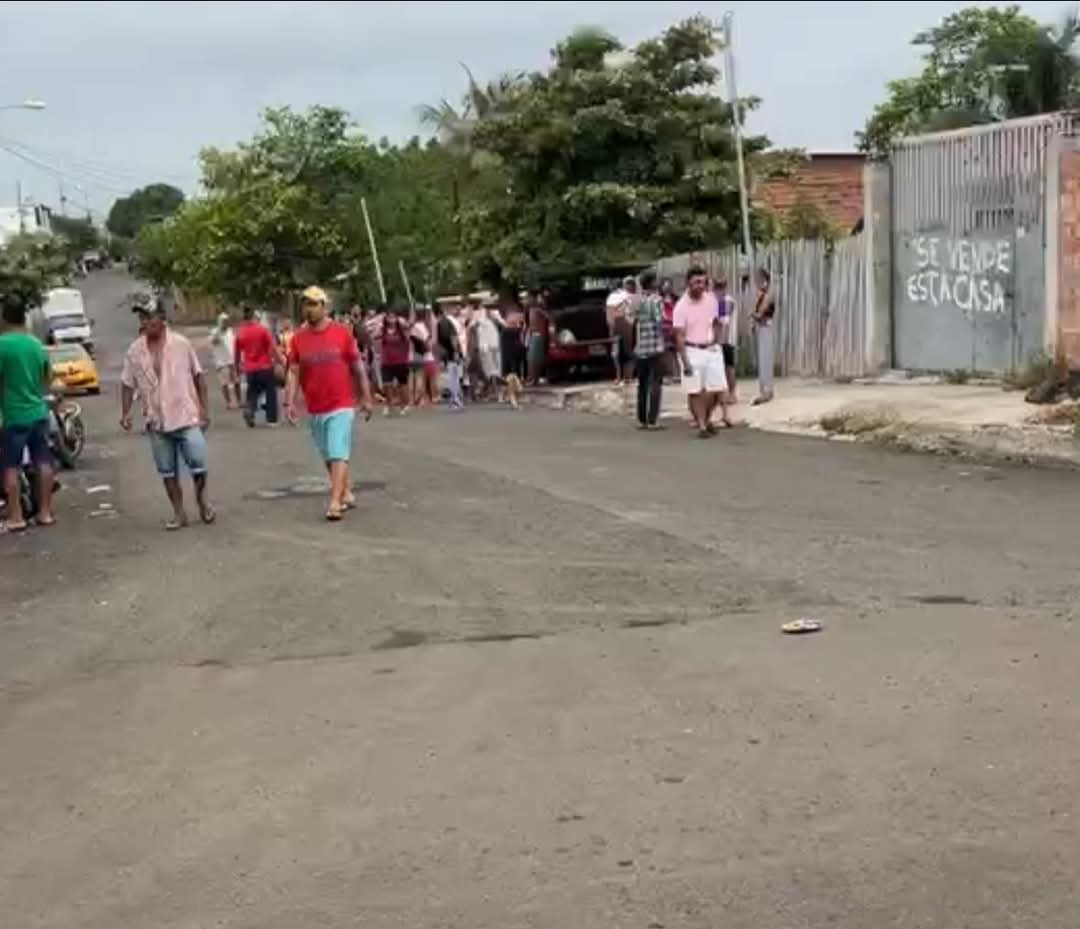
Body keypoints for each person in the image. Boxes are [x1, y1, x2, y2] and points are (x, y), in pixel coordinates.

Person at [120, 302, 213, 530]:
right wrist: (126, 413)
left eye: (149, 317)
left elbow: (198, 377)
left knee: (199, 465)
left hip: (185, 416)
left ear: (162, 319)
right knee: (167, 471)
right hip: (156, 421)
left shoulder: (181, 344)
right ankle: (178, 513)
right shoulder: (134, 351)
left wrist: (204, 410)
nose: (144, 323)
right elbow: (127, 383)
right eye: (141, 318)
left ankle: (202, 501)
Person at [285, 286, 373, 522]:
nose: (309, 309)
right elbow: (293, 372)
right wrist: (290, 402)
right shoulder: (298, 339)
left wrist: (365, 397)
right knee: (328, 454)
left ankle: (335, 502)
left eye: (314, 304)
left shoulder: (342, 333)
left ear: (325, 307)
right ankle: (344, 490)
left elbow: (357, 367)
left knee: (337, 451)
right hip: (315, 406)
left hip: (341, 404)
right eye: (306, 304)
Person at [0, 303, 55, 531]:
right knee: (43, 462)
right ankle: (45, 512)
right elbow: (47, 378)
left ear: (4, 318)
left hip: (13, 416)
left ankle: (16, 516)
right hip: (39, 412)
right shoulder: (36, 345)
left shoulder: (2, 346)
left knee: (11, 466)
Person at [673, 266, 732, 438]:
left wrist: (717, 339)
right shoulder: (681, 307)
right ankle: (701, 426)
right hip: (692, 349)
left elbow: (719, 320)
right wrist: (685, 361)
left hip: (710, 348)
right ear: (688, 283)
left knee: (716, 388)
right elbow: (679, 336)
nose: (700, 285)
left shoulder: (711, 299)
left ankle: (706, 419)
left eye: (703, 282)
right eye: (696, 282)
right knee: (695, 390)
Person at [234, 305, 280, 427]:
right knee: (270, 392)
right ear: (254, 316)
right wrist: (280, 360)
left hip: (250, 369)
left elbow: (237, 353)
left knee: (253, 392)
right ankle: (271, 419)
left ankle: (250, 409)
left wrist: (237, 368)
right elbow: (272, 348)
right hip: (265, 366)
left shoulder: (240, 332)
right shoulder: (262, 330)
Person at [631, 270, 665, 430]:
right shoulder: (656, 300)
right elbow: (659, 322)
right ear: (652, 283)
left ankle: (641, 419)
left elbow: (630, 319)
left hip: (640, 347)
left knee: (642, 384)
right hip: (654, 346)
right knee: (656, 383)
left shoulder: (636, 300)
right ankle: (653, 420)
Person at [380, 307, 412, 416]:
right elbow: (372, 335)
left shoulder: (402, 329)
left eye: (393, 316)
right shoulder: (382, 329)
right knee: (387, 384)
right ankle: (389, 405)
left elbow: (410, 326)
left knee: (402, 385)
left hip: (401, 361)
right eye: (389, 317)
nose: (391, 319)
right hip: (386, 362)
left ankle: (404, 405)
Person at [606, 276, 637, 385]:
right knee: (620, 354)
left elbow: (610, 315)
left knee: (621, 353)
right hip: (624, 326)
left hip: (623, 327)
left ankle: (625, 377)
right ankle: (623, 377)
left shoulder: (623, 297)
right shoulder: (625, 297)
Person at [751, 268, 776, 405]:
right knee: (763, 359)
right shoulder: (763, 294)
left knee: (765, 359)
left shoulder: (767, 295)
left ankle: (767, 391)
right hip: (762, 327)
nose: (757, 282)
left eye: (759, 280)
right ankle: (765, 390)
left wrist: (754, 314)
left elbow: (759, 313)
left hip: (765, 327)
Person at [436, 305, 465, 410]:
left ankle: (456, 400)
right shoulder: (445, 323)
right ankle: (455, 400)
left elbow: (452, 338)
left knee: (454, 378)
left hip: (450, 354)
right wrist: (456, 352)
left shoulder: (442, 323)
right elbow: (452, 338)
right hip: (451, 354)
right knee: (454, 378)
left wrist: (455, 352)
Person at [714, 276, 738, 400]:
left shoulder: (725, 301)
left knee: (728, 366)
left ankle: (732, 393)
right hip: (723, 339)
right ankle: (728, 393)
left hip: (725, 339)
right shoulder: (723, 300)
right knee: (725, 367)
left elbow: (723, 321)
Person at [208, 313, 238, 410]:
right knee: (224, 383)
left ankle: (239, 401)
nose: (227, 323)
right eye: (224, 321)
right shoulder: (215, 332)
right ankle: (228, 402)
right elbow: (213, 341)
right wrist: (219, 332)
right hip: (221, 362)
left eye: (227, 321)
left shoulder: (230, 331)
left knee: (236, 381)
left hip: (232, 360)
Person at [525, 291, 549, 386]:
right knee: (531, 358)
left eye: (528, 298)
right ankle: (533, 379)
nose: (526, 300)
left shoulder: (538, 310)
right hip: (533, 335)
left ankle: (534, 379)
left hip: (538, 335)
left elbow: (548, 317)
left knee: (535, 359)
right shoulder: (531, 310)